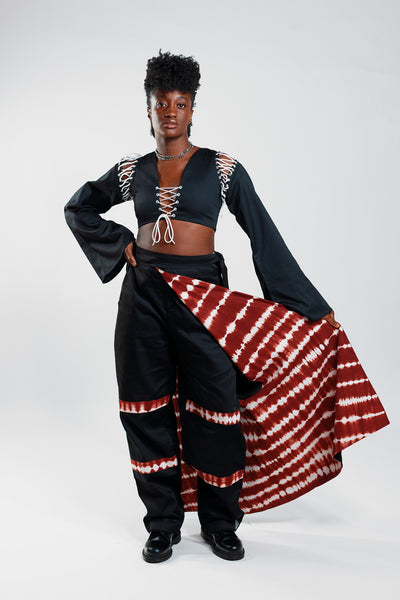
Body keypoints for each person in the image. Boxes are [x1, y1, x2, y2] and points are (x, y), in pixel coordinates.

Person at [64, 51, 384, 564]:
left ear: (193, 110)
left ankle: (219, 523)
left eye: (180, 103)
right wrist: (120, 242)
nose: (170, 112)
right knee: (145, 408)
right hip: (143, 294)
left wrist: (308, 305)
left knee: (216, 407)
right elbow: (79, 206)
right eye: (161, 103)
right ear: (147, 110)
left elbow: (262, 233)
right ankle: (162, 524)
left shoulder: (222, 168)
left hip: (204, 297)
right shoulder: (132, 171)